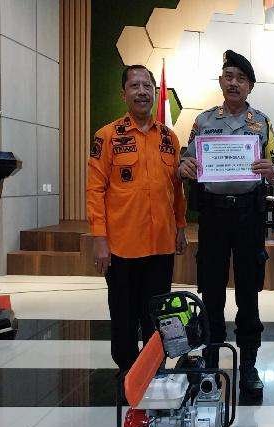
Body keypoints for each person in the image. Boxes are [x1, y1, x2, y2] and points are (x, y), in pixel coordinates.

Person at [178, 50, 274, 399]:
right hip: (213, 215)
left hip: (249, 215)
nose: (234, 82)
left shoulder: (262, 123)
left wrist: (273, 171)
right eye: (229, 76)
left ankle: (248, 364)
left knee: (248, 290)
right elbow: (185, 160)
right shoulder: (204, 121)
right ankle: (211, 357)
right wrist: (184, 166)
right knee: (211, 288)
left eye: (241, 78)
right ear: (221, 81)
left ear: (250, 85)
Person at [87, 64, 187, 375]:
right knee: (123, 315)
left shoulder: (169, 138)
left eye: (147, 86)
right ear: (124, 94)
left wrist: (181, 227)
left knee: (156, 316)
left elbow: (176, 189)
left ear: (155, 93)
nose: (142, 92)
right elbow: (95, 190)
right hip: (122, 247)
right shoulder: (107, 136)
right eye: (135, 86)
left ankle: (154, 370)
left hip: (160, 246)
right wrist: (99, 238)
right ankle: (127, 374)